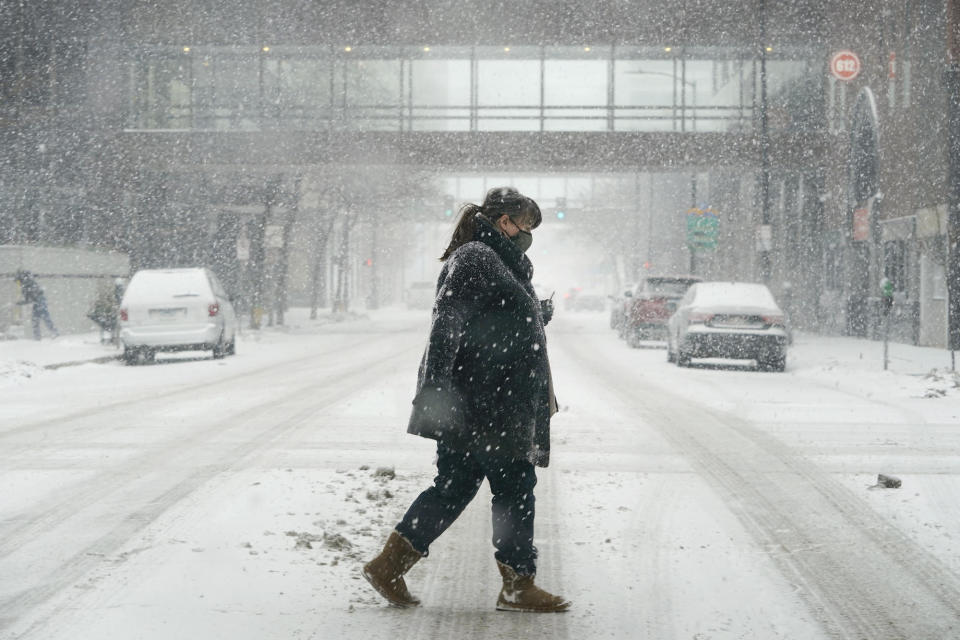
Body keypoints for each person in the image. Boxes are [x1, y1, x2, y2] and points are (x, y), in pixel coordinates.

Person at [362, 187, 568, 613]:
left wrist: (532, 316)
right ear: (503, 221)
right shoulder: (477, 257)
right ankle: (517, 584)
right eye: (525, 226)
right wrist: (436, 386)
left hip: (484, 400)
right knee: (515, 489)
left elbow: (488, 318)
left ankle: (389, 565)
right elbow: (447, 322)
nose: (527, 235)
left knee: (454, 487)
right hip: (489, 401)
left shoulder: (497, 260)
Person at [14, 270, 58, 340]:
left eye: (18, 282)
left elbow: (29, 299)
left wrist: (20, 303)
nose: (18, 284)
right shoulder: (29, 282)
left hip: (39, 302)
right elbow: (31, 297)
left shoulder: (26, 285)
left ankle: (52, 333)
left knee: (43, 318)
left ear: (20, 279)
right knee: (37, 319)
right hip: (38, 302)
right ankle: (40, 336)